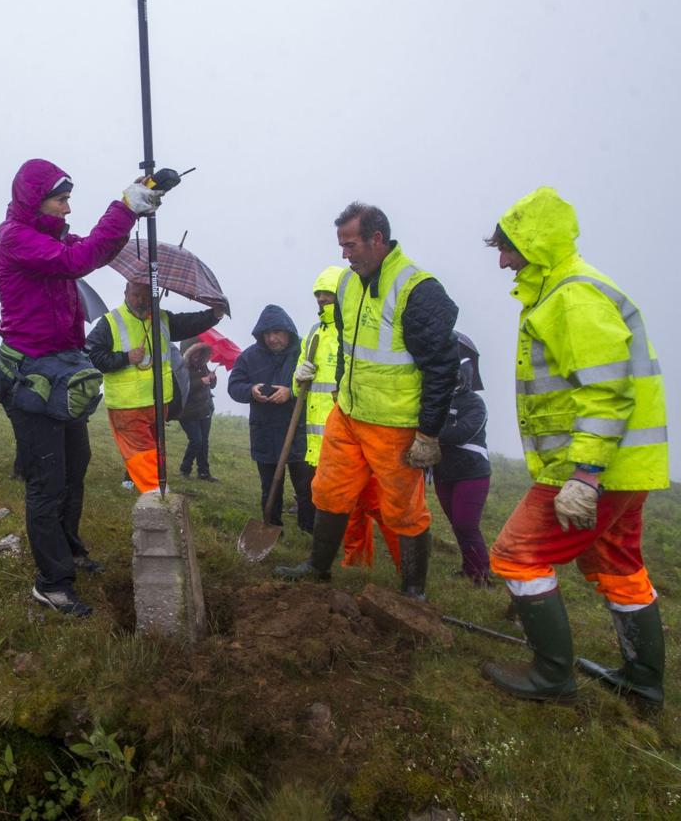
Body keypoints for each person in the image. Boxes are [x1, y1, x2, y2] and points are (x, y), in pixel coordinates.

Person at [480, 187, 668, 706]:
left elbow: (607, 389)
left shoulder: (572, 296)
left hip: (592, 468)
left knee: (517, 555)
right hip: (626, 467)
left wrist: (584, 475)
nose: (501, 260)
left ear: (535, 245)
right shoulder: (562, 290)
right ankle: (643, 680)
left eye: (508, 248)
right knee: (617, 563)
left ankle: (552, 675)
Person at [0, 158, 162, 618]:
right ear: (36, 200)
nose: (68, 210)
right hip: (32, 376)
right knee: (47, 481)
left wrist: (141, 192)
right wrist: (125, 207)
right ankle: (52, 583)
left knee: (75, 465)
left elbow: (90, 248)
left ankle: (69, 551)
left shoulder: (48, 236)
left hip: (61, 370)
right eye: (61, 200)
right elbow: (78, 259)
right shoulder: (17, 238)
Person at [277, 202, 459, 602]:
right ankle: (317, 568)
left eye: (351, 244)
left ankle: (413, 592)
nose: (344, 254)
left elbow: (444, 366)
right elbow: (346, 346)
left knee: (402, 509)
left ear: (377, 239)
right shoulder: (346, 283)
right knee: (328, 490)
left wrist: (428, 433)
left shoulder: (418, 288)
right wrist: (342, 388)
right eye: (341, 245)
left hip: (394, 424)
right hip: (348, 414)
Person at [293, 265, 400, 570]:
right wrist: (298, 377)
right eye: (318, 294)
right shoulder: (314, 333)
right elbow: (298, 386)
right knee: (343, 506)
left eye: (327, 293)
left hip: (359, 431)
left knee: (380, 505)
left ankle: (406, 570)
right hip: (323, 436)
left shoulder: (355, 330)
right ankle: (355, 561)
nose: (322, 300)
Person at [85, 282, 221, 493]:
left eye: (146, 296)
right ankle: (157, 496)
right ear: (125, 293)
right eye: (135, 294)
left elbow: (190, 323)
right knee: (142, 455)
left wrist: (215, 314)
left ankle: (155, 490)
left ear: (154, 296)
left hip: (158, 404)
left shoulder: (162, 319)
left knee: (155, 451)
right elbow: (92, 354)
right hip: (127, 405)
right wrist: (125, 358)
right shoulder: (110, 322)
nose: (141, 300)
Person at [227, 304, 313, 530]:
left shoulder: (304, 352)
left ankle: (307, 529)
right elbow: (234, 386)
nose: (272, 338)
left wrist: (290, 392)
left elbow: (319, 385)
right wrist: (251, 390)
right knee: (269, 486)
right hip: (264, 431)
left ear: (288, 331)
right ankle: (272, 527)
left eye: (277, 332)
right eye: (267, 333)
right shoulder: (249, 357)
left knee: (306, 487)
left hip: (297, 431)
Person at [432, 354, 492, 586]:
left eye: (457, 375)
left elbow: (461, 433)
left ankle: (481, 575)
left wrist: (434, 430)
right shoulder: (436, 399)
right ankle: (470, 569)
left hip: (472, 473)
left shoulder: (475, 403)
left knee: (466, 525)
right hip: (444, 473)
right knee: (458, 524)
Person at [177, 339, 218, 481]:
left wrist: (212, 378)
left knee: (203, 442)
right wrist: (201, 382)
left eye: (200, 353)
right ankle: (185, 469)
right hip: (187, 412)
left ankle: (204, 472)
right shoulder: (181, 368)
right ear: (188, 353)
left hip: (204, 410)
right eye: (194, 353)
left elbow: (211, 386)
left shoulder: (203, 366)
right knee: (196, 441)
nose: (197, 356)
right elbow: (182, 389)